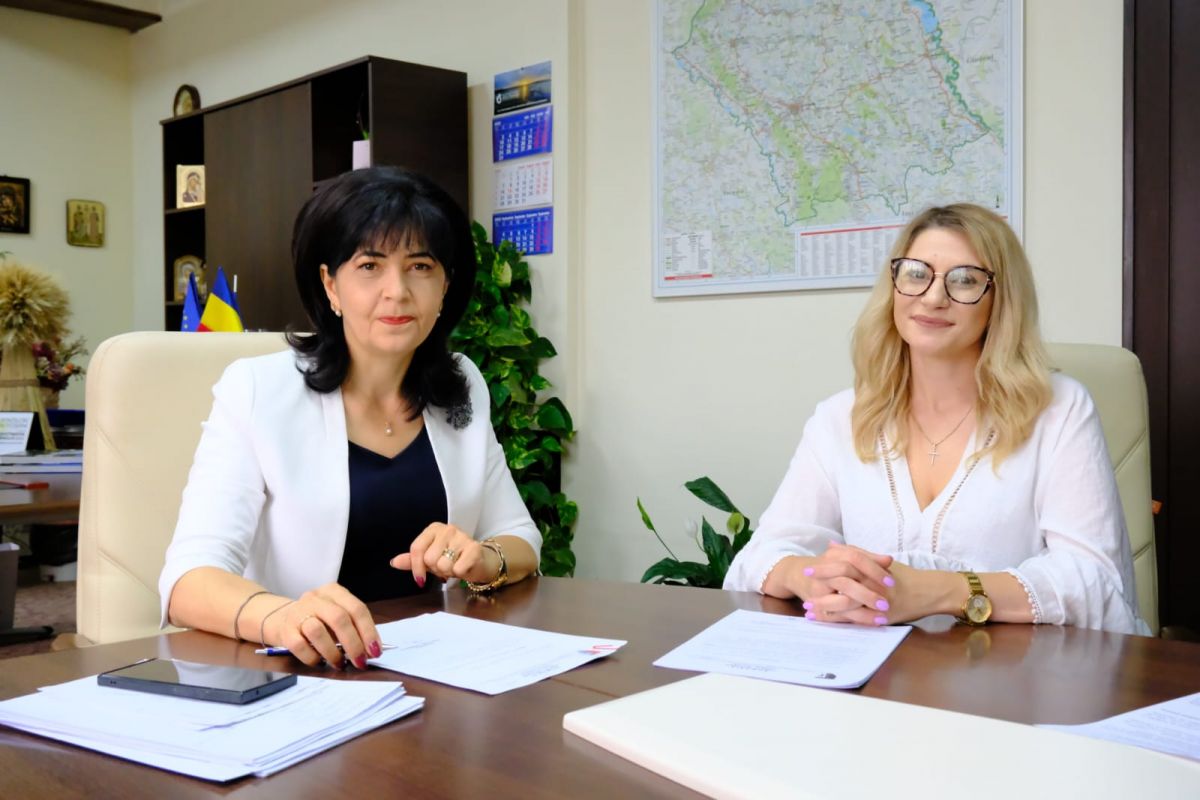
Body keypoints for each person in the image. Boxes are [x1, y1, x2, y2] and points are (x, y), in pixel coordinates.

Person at [159, 167, 542, 669]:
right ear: (330, 285)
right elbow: (188, 581)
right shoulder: (257, 390)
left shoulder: (461, 383)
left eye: (420, 266)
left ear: (445, 285)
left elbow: (520, 535)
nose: (397, 290)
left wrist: (484, 559)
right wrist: (282, 617)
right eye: (369, 266)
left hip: (439, 667)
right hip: (304, 671)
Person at [724, 203, 1147, 635]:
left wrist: (939, 591)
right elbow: (757, 559)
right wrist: (808, 576)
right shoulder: (840, 418)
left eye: (964, 280)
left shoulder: (1059, 409)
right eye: (916, 273)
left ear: (1000, 301)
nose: (932, 297)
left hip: (1018, 670)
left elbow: (1097, 585)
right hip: (875, 668)